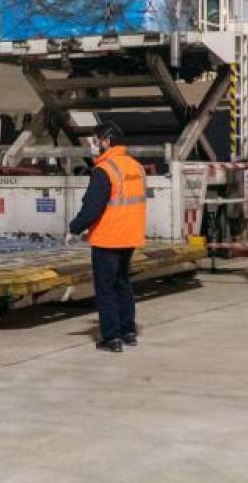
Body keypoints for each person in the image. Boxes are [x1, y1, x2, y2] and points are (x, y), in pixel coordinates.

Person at [67, 122, 148, 353]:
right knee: (122, 283)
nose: (93, 146)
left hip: (108, 238)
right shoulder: (136, 167)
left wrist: (74, 228)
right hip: (130, 236)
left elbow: (92, 208)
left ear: (107, 141)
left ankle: (112, 337)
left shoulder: (105, 170)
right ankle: (128, 331)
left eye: (95, 141)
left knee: (106, 287)